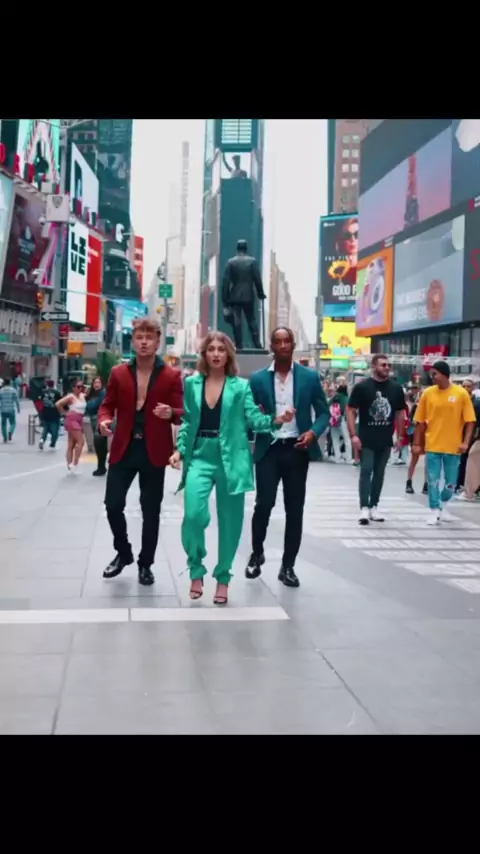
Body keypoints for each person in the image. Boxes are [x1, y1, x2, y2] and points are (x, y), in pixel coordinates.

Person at [169, 331, 294, 605]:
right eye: (211, 349)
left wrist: (275, 420)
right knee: (193, 515)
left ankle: (223, 577)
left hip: (232, 460)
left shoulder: (240, 387)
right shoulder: (192, 384)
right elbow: (188, 421)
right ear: (204, 354)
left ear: (228, 354)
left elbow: (253, 418)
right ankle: (196, 568)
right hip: (200, 455)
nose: (216, 354)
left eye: (221, 349)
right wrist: (180, 450)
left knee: (230, 522)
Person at [98, 318, 184, 586]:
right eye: (139, 337)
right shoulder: (118, 373)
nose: (144, 342)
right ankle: (123, 553)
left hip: (154, 451)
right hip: (124, 448)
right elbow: (107, 405)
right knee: (113, 504)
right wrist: (104, 420)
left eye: (149, 337)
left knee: (151, 510)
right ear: (133, 341)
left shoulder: (171, 375)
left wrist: (172, 413)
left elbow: (183, 412)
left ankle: (146, 563)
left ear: (158, 342)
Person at [245, 327, 330, 588]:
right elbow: (249, 415)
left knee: (295, 509)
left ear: (293, 345)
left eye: (287, 341)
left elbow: (324, 413)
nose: (283, 346)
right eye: (278, 341)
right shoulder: (257, 379)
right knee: (264, 504)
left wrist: (313, 433)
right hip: (268, 449)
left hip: (297, 449)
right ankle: (257, 553)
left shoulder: (309, 377)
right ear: (271, 346)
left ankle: (288, 566)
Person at [413, 360, 476, 525]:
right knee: (433, 480)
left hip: (453, 446)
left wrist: (465, 442)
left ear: (444, 374)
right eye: (431, 374)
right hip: (432, 444)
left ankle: (442, 504)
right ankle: (434, 509)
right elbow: (419, 421)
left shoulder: (461, 394)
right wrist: (417, 443)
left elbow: (470, 421)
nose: (432, 377)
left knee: (451, 483)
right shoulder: (428, 394)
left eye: (434, 374)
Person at [346, 354, 406, 525]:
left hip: (385, 438)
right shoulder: (362, 387)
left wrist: (400, 436)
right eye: (383, 365)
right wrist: (353, 435)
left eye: (388, 365)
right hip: (366, 437)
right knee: (366, 470)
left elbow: (400, 413)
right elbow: (350, 410)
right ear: (374, 366)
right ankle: (364, 507)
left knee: (380, 473)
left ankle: (374, 505)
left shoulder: (396, 388)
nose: (386, 368)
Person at [221, 239, 265, 350]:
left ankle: (239, 344)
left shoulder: (231, 262)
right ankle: (257, 344)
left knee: (237, 321)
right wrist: (260, 293)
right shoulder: (252, 261)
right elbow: (257, 279)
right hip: (248, 295)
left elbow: (226, 282)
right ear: (246, 248)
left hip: (234, 295)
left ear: (237, 248)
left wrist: (225, 300)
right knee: (251, 320)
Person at [56, 380, 87, 471]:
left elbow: (90, 391)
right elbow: (58, 404)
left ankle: (69, 464)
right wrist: (65, 413)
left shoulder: (82, 395)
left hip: (80, 419)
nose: (80, 388)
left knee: (71, 443)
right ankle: (75, 463)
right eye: (78, 387)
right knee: (81, 442)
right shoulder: (70, 396)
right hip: (72, 419)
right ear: (73, 388)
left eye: (81, 387)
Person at [86, 377, 107, 476]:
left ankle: (101, 467)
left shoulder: (103, 393)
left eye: (98, 382)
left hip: (100, 420)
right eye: (95, 382)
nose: (96, 384)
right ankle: (101, 467)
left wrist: (89, 404)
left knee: (99, 443)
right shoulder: (93, 394)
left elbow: (92, 406)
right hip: (94, 420)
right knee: (100, 445)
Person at [328, 377, 352, 463]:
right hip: (342, 420)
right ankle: (348, 459)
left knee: (335, 439)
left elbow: (327, 404)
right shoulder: (345, 397)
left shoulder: (335, 396)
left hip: (333, 420)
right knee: (347, 439)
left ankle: (337, 458)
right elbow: (348, 409)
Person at [38, 379, 61, 450]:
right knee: (55, 430)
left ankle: (42, 440)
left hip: (45, 412)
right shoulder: (57, 392)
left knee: (45, 428)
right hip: (54, 413)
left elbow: (40, 401)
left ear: (47, 384)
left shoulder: (43, 392)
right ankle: (53, 442)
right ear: (53, 384)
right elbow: (61, 402)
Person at [0, 378, 20, 443]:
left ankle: (5, 438)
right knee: (13, 423)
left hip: (3, 410)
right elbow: (16, 400)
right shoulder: (13, 390)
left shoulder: (1, 391)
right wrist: (18, 408)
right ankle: (10, 431)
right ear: (10, 383)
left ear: (4, 383)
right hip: (11, 409)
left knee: (3, 424)